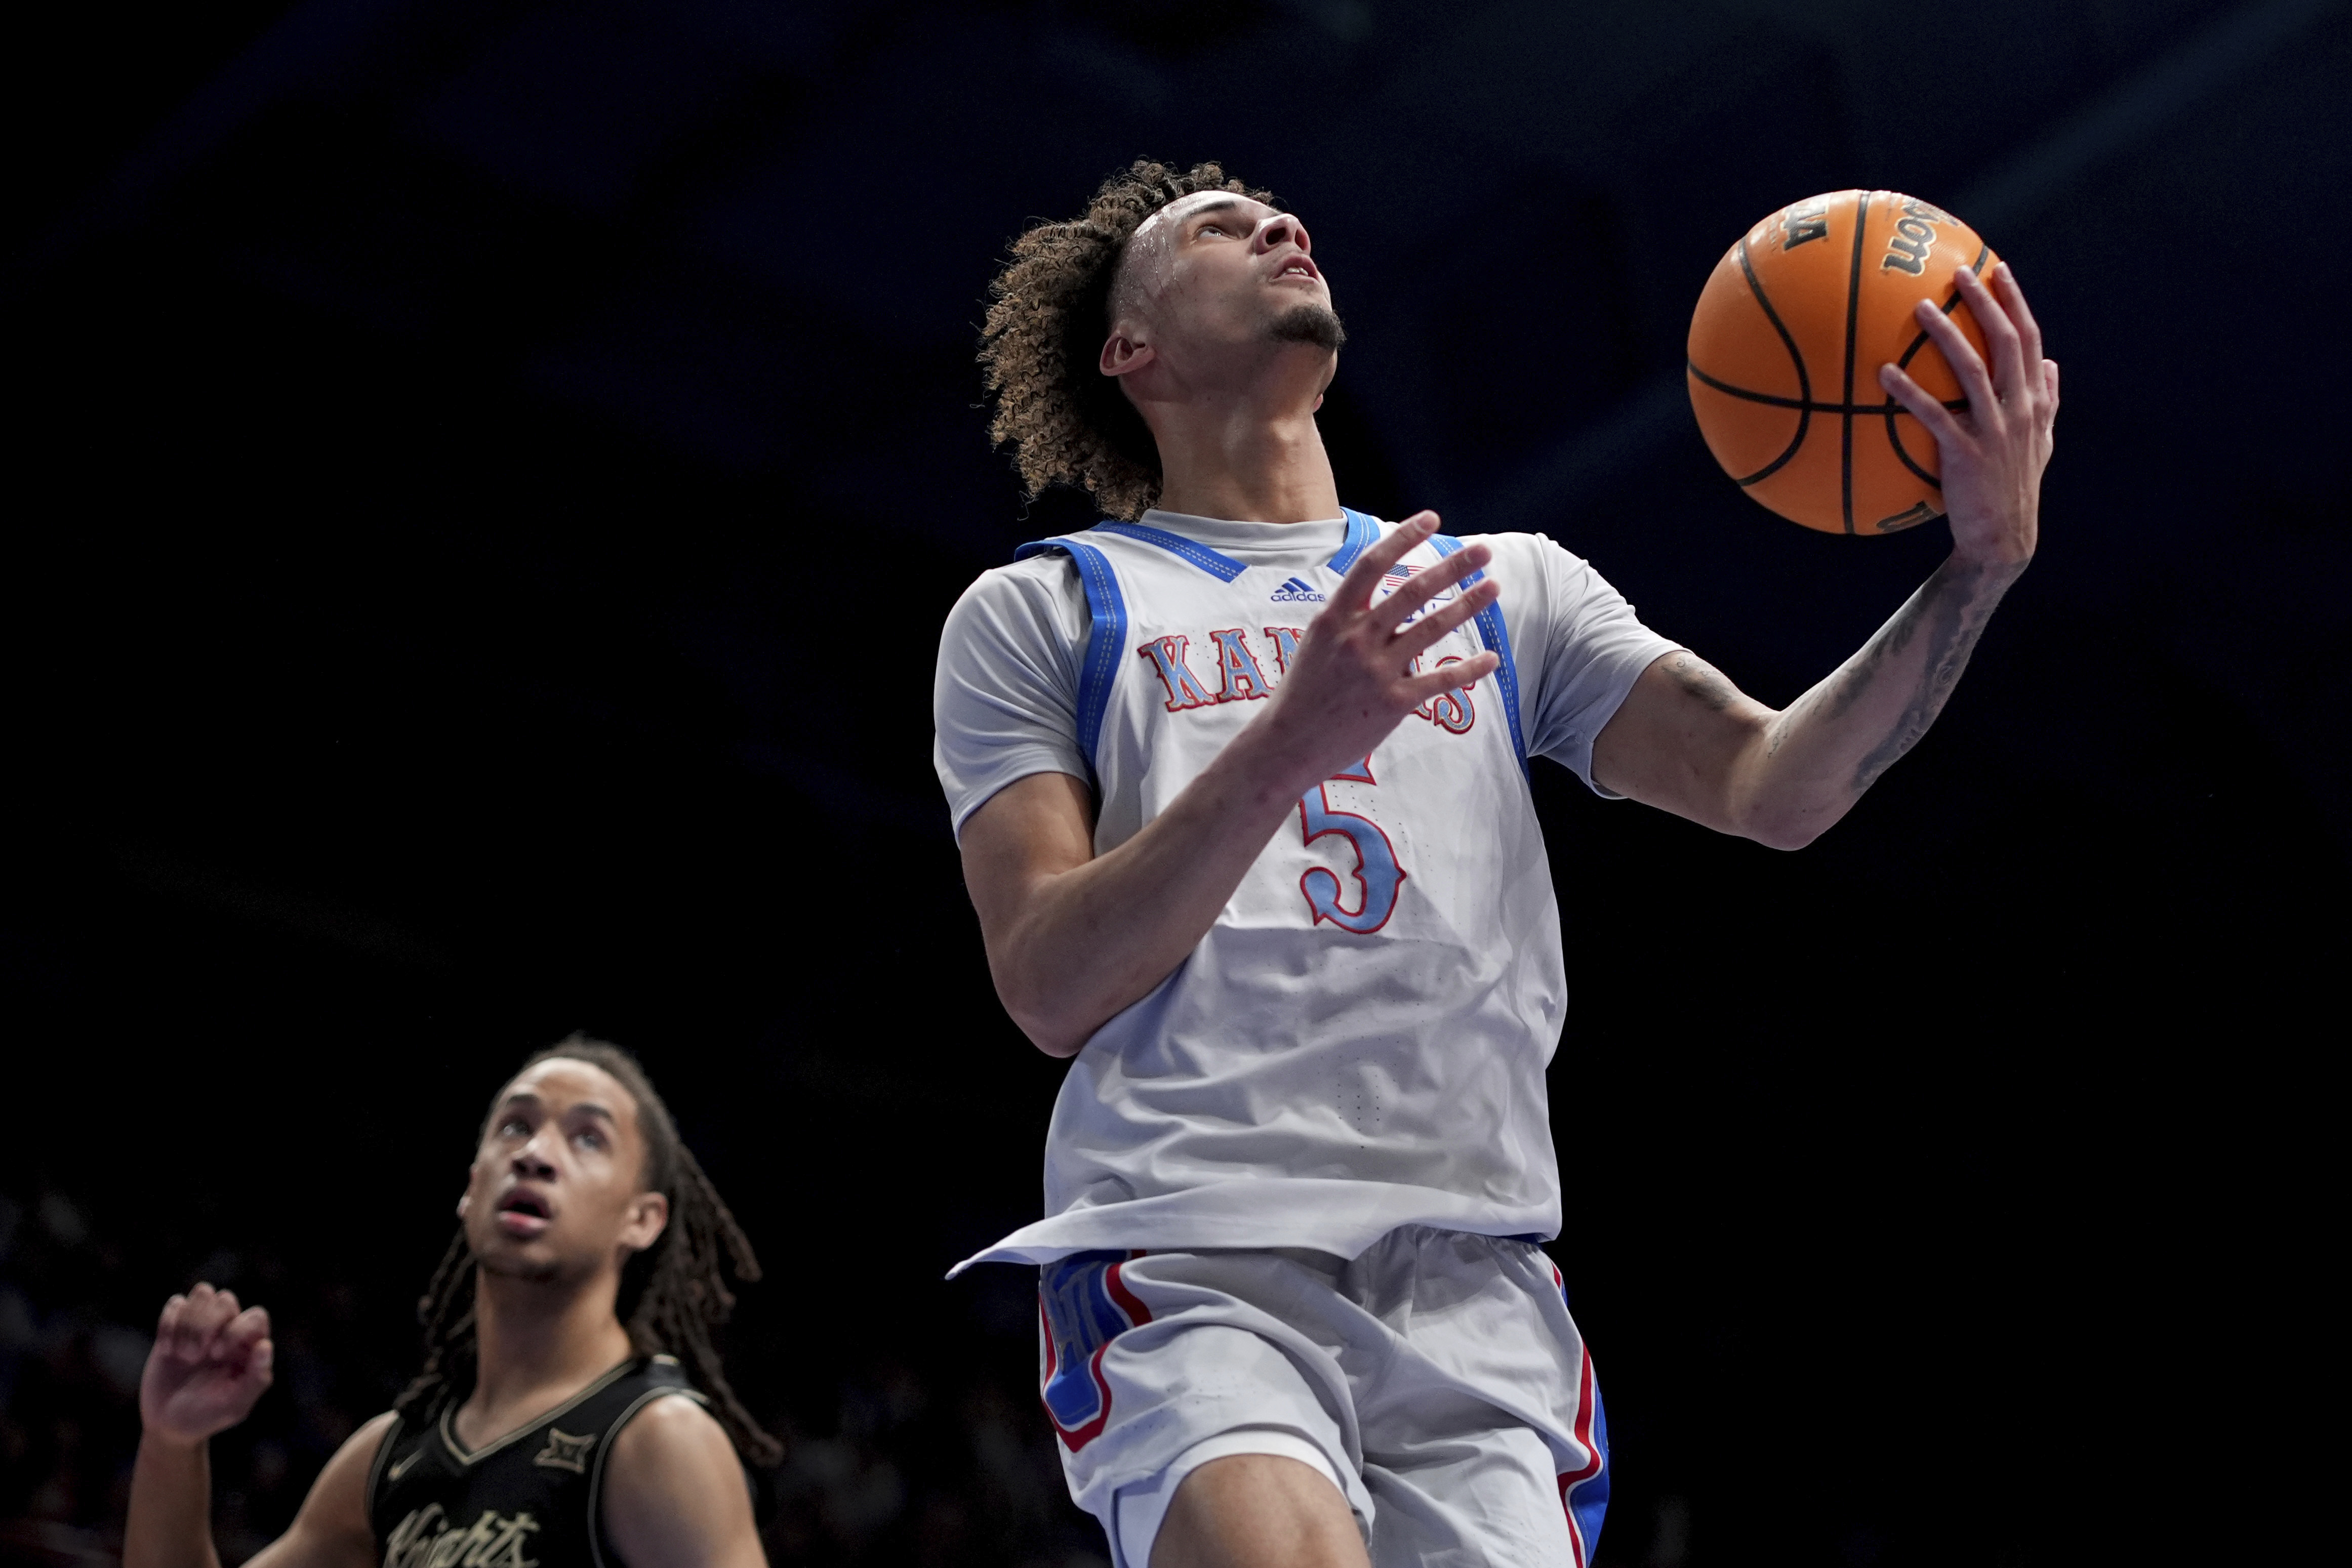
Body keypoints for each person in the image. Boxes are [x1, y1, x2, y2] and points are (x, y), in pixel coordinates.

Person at [936, 160, 2056, 1568]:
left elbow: (1775, 787)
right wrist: (1288, 743)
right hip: (1197, 1242)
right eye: (1220, 228)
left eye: (1286, 211)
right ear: (1129, 349)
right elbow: (1047, 984)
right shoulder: (1041, 611)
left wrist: (1978, 567)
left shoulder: (1508, 586)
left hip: (1472, 1272)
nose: (1282, 223)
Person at [124, 1037, 777, 1568]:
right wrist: (172, 1444)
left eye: (587, 1139)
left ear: (642, 1220)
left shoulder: (657, 1440)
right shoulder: (391, 1457)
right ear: (471, 1191)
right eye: (516, 1126)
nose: (535, 1154)